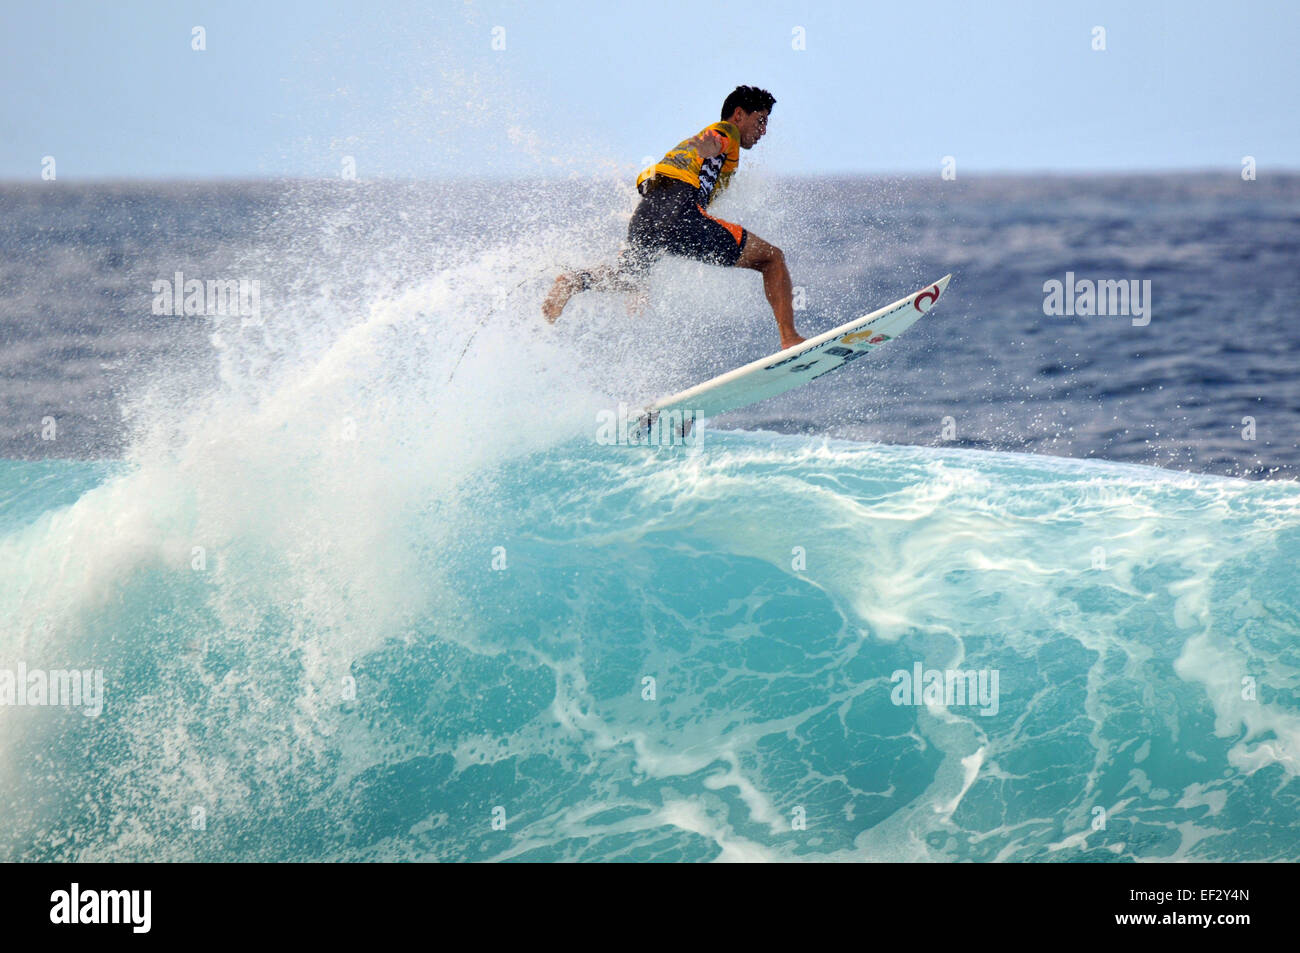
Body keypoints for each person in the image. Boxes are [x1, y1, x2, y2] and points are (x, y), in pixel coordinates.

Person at [542, 85, 806, 350]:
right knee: (772, 258)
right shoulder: (728, 132)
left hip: (648, 213)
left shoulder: (694, 155)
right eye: (760, 121)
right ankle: (790, 339)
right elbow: (716, 140)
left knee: (630, 277)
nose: (763, 131)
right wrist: (710, 146)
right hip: (680, 210)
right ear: (738, 115)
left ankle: (575, 281)